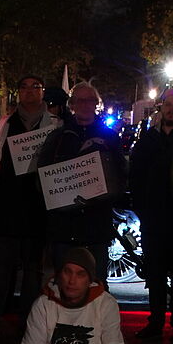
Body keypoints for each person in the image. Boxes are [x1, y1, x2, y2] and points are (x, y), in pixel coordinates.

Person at [0, 74, 61, 334]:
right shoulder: (4, 124)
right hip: (6, 209)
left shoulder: (55, 126)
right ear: (18, 92)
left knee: (32, 271)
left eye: (35, 87)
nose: (29, 92)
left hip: (37, 211)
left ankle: (28, 323)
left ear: (42, 93)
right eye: (24, 87)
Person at [36, 82, 127, 275]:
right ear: (72, 104)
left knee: (97, 285)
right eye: (80, 100)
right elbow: (43, 178)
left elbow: (120, 175)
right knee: (64, 286)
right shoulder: (57, 138)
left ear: (96, 104)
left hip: (96, 227)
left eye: (90, 100)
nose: (85, 105)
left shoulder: (110, 138)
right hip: (64, 228)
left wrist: (104, 194)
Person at [128, 88, 173, 340]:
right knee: (154, 274)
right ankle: (155, 321)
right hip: (154, 218)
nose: (172, 109)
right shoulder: (147, 140)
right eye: (168, 104)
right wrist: (140, 206)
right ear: (161, 108)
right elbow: (135, 174)